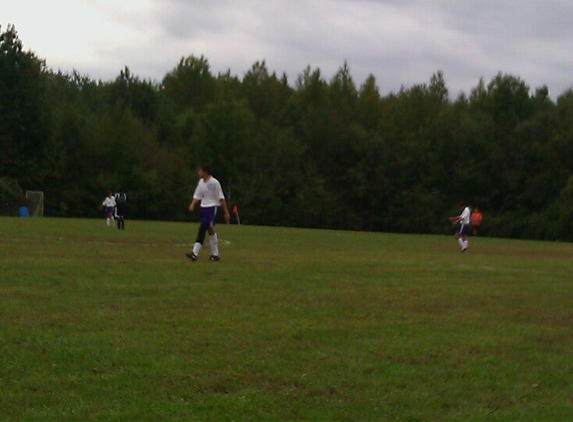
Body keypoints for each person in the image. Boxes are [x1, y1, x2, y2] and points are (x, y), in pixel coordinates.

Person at [186, 165, 230, 261]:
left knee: (203, 227)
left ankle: (194, 253)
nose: (199, 172)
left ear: (205, 172)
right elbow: (197, 195)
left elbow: (221, 198)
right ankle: (215, 255)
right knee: (210, 228)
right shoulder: (201, 182)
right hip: (203, 208)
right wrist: (192, 204)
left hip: (212, 208)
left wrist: (226, 212)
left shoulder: (215, 183)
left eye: (200, 171)